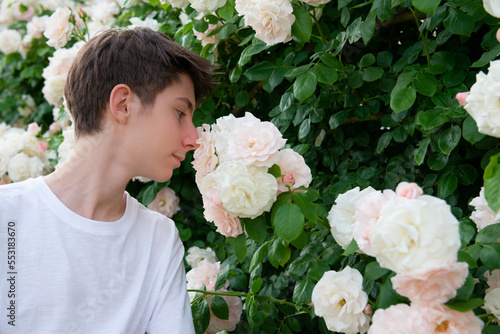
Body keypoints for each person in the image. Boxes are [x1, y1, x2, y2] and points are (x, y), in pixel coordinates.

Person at [0, 27, 216, 333]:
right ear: (123, 104)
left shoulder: (158, 239)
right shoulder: (7, 216)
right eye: (180, 112)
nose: (193, 138)